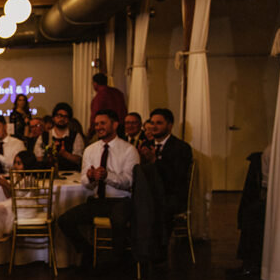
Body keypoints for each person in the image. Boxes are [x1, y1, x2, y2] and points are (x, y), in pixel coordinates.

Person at [58, 109, 139, 266]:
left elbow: (129, 181)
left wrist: (107, 176)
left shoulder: (129, 150)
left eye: (103, 123)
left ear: (115, 125)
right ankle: (87, 250)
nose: (98, 127)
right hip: (98, 201)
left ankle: (118, 264)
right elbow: (85, 184)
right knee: (64, 220)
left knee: (118, 221)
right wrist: (89, 178)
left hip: (121, 201)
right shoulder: (90, 150)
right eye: (96, 124)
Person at [138, 108, 193, 225]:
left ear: (169, 126)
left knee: (153, 206)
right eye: (152, 123)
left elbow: (177, 178)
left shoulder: (181, 147)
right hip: (147, 194)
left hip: (170, 196)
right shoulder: (146, 145)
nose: (154, 126)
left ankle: (158, 242)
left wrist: (154, 161)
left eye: (159, 123)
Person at [34, 102, 85, 171]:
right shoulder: (44, 136)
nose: (62, 119)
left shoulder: (76, 136)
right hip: (49, 175)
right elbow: (38, 158)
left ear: (69, 120)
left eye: (65, 117)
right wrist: (49, 154)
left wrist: (64, 153)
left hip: (70, 175)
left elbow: (79, 160)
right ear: (53, 118)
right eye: (59, 116)